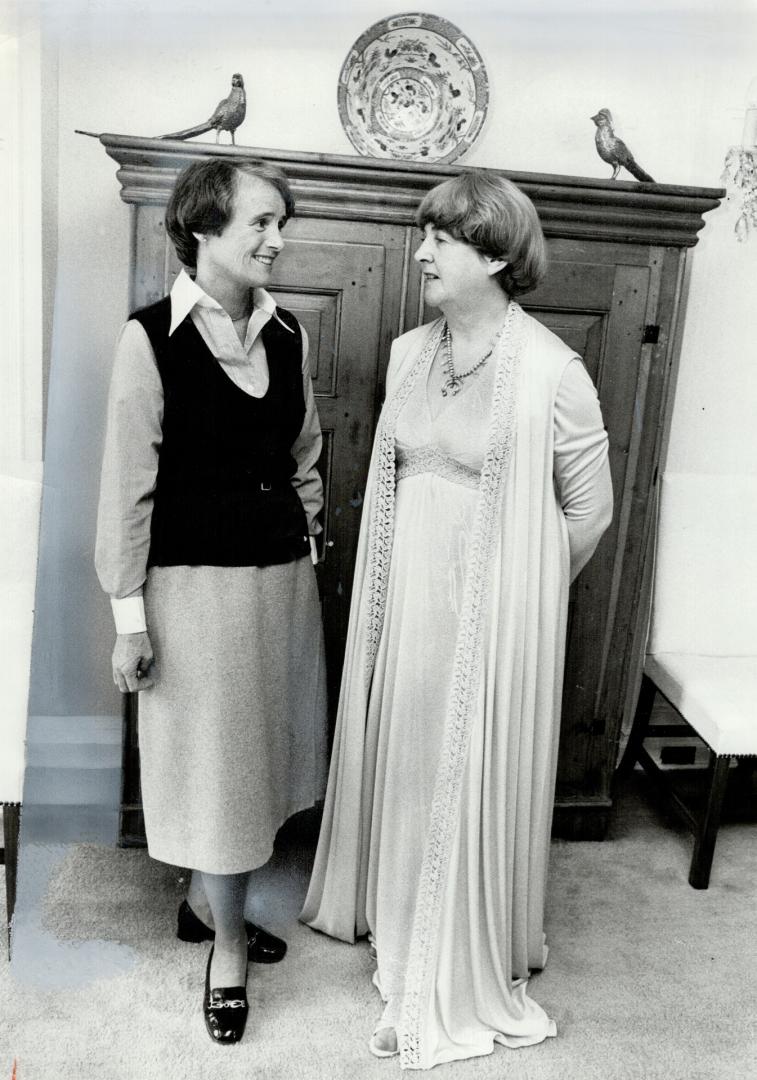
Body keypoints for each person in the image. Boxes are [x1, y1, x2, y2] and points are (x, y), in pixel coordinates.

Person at [301, 170, 613, 1069]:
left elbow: (585, 513)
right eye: (422, 233)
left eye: (441, 238)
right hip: (404, 598)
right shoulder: (408, 353)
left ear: (496, 254)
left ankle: (451, 953)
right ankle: (395, 914)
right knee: (405, 753)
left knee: (462, 762)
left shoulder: (554, 371)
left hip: (491, 611)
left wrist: (514, 595)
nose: (422, 251)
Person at [95, 157, 327, 1045]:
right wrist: (128, 620)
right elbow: (126, 492)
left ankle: (201, 901)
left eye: (282, 222)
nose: (278, 239)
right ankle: (227, 946)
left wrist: (301, 536)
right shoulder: (148, 339)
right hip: (195, 599)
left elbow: (303, 454)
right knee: (222, 778)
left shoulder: (289, 335)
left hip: (280, 591)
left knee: (257, 764)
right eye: (260, 223)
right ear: (203, 231)